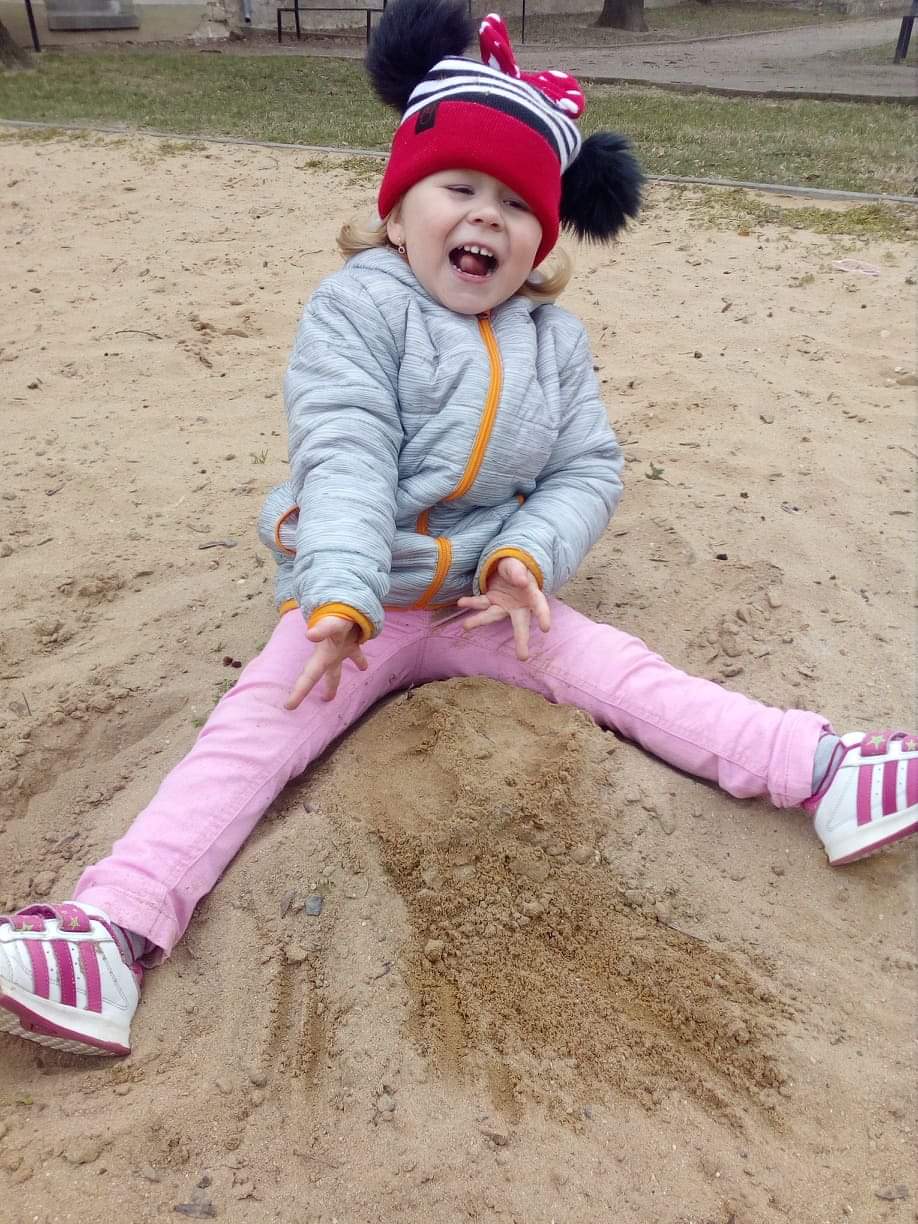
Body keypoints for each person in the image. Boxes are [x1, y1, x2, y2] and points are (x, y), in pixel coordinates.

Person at [1, 0, 915, 1060]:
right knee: (250, 734)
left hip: (488, 597)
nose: (487, 216)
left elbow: (587, 467)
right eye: (459, 189)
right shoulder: (358, 311)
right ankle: (110, 936)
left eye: (516, 204)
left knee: (626, 675)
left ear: (541, 243)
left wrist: (527, 557)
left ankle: (823, 770)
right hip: (367, 598)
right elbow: (345, 451)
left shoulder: (553, 343)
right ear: (398, 213)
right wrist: (340, 596)